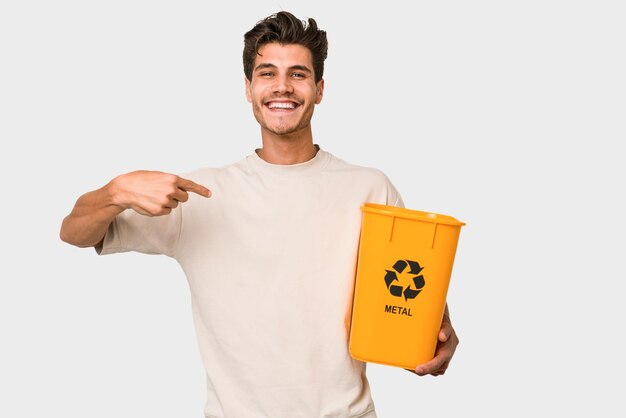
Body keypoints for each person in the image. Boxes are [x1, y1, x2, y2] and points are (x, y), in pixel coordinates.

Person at [60, 11, 459, 418]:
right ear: (249, 89)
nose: (282, 86)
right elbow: (75, 232)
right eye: (267, 73)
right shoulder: (199, 195)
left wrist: (435, 332)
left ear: (320, 89)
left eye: (298, 74)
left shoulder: (370, 189)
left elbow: (409, 293)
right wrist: (117, 191)